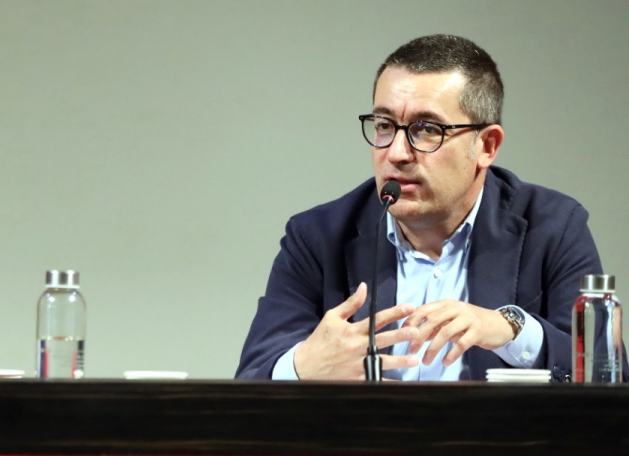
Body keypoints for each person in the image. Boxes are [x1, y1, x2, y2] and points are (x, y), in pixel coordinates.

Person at [236, 34, 601, 381]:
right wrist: (303, 366)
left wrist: (513, 330)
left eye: (426, 129)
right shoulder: (318, 237)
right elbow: (253, 377)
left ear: (487, 146)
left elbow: (606, 376)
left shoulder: (553, 227)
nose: (396, 153)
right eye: (384, 125)